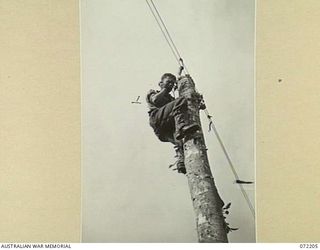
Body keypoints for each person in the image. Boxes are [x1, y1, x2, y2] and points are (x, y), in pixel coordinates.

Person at [146, 68, 200, 174]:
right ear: (160, 83)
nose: (170, 85)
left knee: (180, 140)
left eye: (172, 83)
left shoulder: (171, 100)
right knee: (180, 101)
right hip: (156, 119)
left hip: (165, 130)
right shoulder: (153, 92)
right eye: (168, 82)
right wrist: (165, 89)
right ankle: (181, 127)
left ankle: (181, 162)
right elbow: (155, 100)